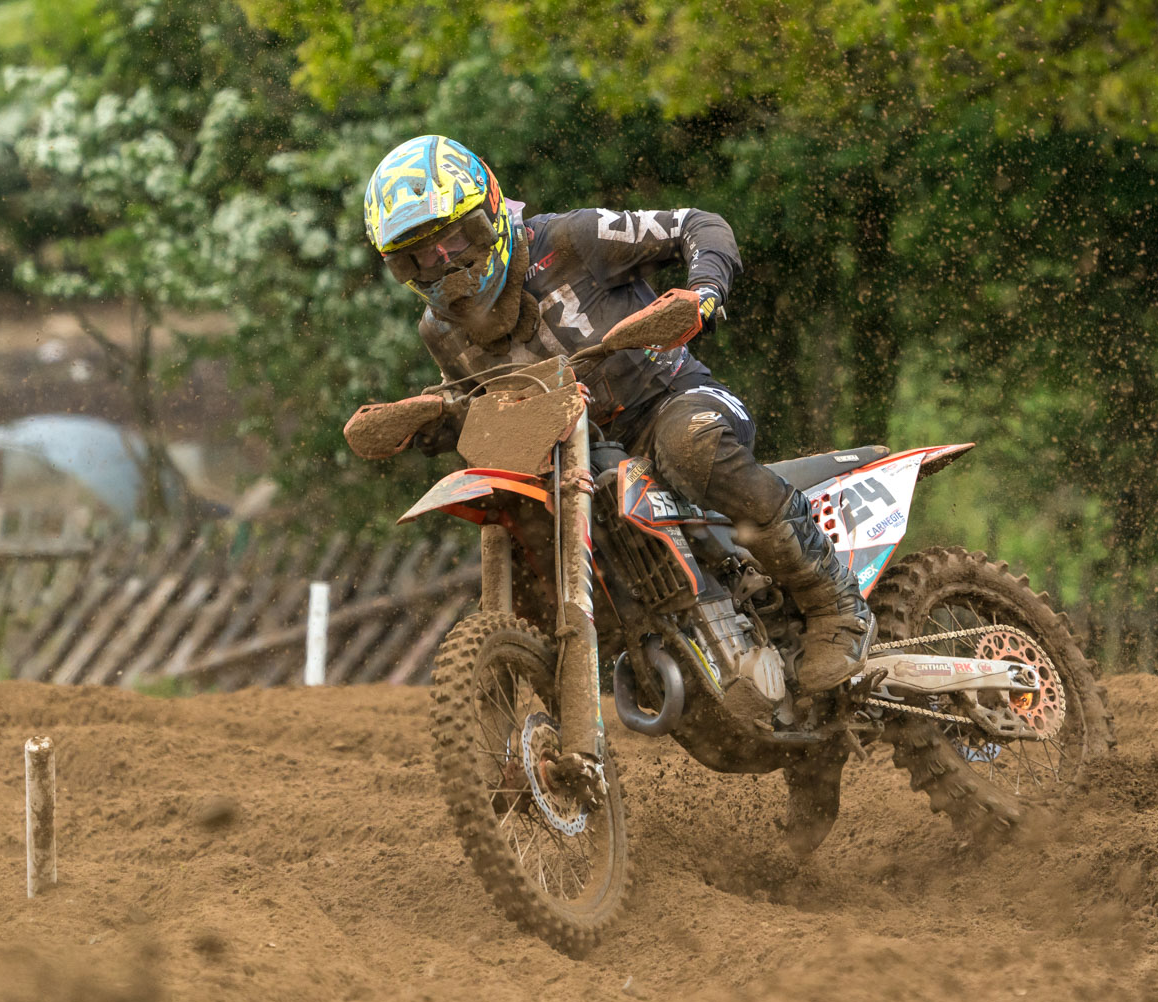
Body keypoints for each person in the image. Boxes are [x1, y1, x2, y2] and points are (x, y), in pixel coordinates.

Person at [360, 134, 870, 691]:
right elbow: (476, 401)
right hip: (573, 451)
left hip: (670, 402)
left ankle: (837, 605)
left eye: (454, 237)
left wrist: (704, 292)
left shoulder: (571, 239)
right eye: (417, 255)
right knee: (523, 505)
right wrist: (427, 418)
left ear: (490, 212)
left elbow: (697, 223)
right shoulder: (439, 330)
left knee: (687, 446)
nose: (442, 260)